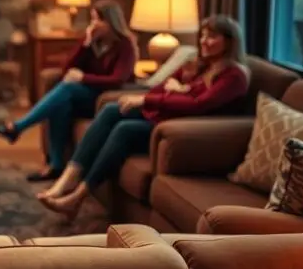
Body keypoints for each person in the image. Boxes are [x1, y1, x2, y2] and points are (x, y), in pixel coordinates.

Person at [38, 14, 250, 219]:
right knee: (112, 109)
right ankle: (68, 179)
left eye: (212, 37)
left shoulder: (234, 76)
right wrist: (169, 92)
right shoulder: (198, 65)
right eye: (203, 35)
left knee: (124, 130)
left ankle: (77, 197)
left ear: (230, 42)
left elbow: (199, 104)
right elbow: (160, 87)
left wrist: (160, 96)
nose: (204, 41)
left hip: (187, 130)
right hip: (169, 115)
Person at [0, 0, 137, 182]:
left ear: (110, 22)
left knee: (67, 89)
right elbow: (67, 69)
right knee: (60, 104)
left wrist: (83, 78)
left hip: (105, 100)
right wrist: (86, 43)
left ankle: (18, 127)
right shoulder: (92, 42)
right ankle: (56, 165)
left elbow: (117, 80)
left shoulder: (125, 46)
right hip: (85, 96)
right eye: (92, 20)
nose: (93, 25)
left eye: (97, 20)